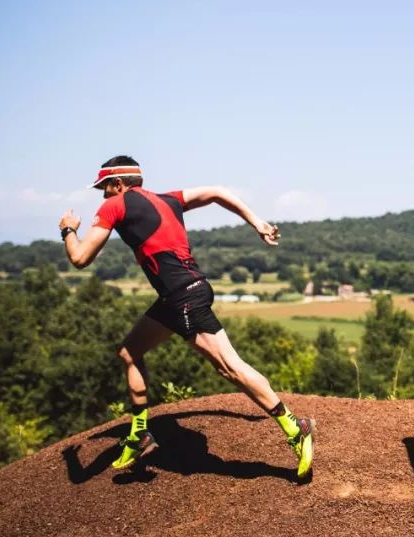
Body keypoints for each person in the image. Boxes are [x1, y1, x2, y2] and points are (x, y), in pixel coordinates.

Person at [58, 155, 315, 478]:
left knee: (230, 368)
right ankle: (140, 435)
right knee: (130, 351)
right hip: (179, 295)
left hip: (183, 298)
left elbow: (80, 257)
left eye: (104, 187)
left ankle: (296, 427)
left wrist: (68, 230)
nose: (103, 195)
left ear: (119, 184)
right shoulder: (169, 199)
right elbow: (218, 192)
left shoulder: (115, 204)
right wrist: (257, 222)